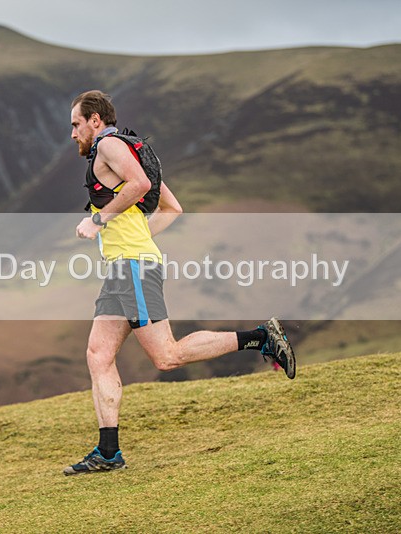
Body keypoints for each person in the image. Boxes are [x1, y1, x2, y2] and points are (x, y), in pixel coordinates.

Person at [64, 90, 296, 476]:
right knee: (98, 355)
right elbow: (172, 207)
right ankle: (108, 452)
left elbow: (139, 185)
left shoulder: (108, 146)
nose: (72, 134)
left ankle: (261, 337)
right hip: (126, 267)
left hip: (133, 268)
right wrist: (137, 238)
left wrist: (99, 221)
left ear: (95, 121)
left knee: (166, 356)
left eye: (75, 124)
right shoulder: (129, 150)